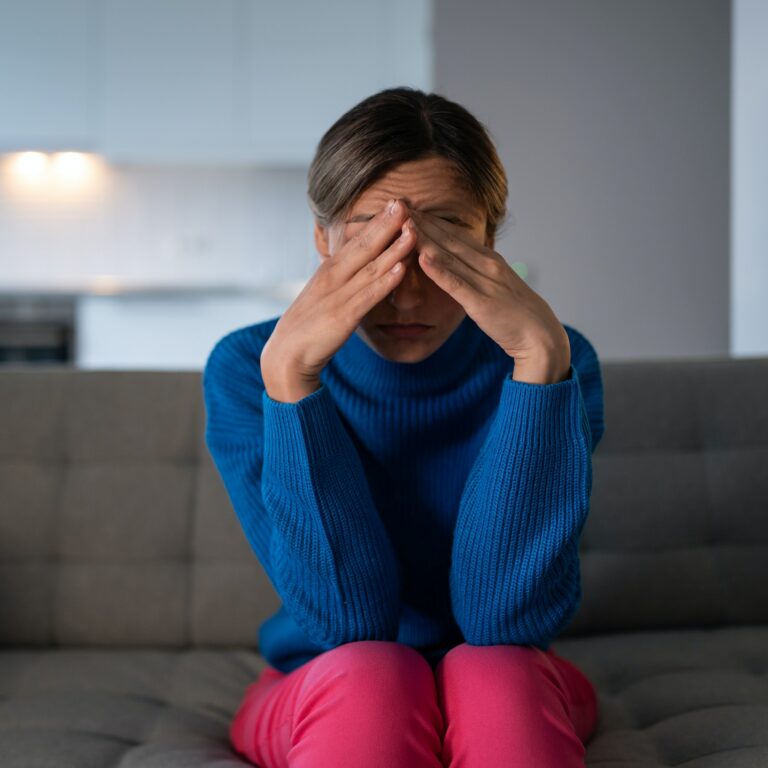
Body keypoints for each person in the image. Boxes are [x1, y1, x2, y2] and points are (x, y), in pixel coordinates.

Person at [203, 86, 605, 768]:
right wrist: (295, 387)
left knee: (495, 674)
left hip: (509, 675)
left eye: (444, 239)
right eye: (374, 241)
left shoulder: (559, 360)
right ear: (323, 238)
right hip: (326, 677)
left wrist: (537, 366)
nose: (408, 291)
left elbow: (505, 623)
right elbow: (348, 625)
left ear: (490, 240)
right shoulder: (251, 366)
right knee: (371, 678)